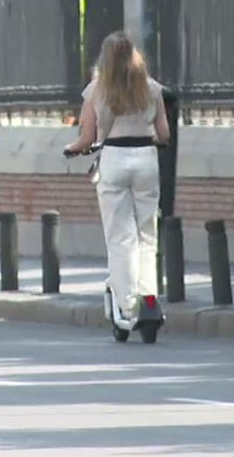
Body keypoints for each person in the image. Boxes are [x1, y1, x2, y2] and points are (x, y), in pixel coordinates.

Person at [64, 31, 171, 323]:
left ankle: (128, 305)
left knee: (121, 236)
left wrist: (71, 149)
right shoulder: (151, 88)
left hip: (114, 159)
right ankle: (149, 298)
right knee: (147, 233)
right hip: (146, 159)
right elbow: (164, 134)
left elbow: (86, 138)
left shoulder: (96, 91)